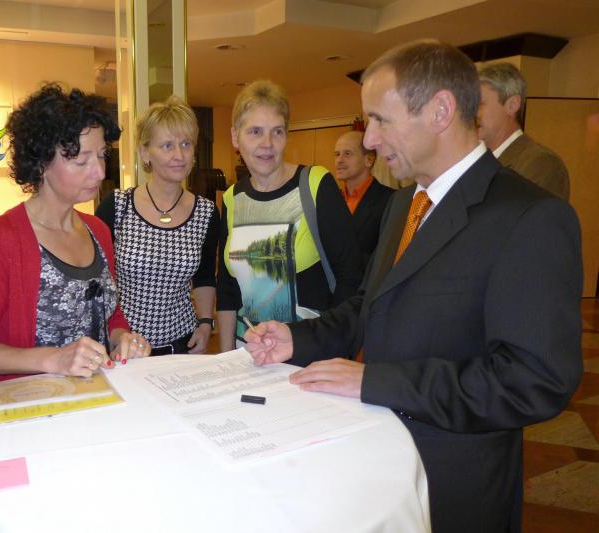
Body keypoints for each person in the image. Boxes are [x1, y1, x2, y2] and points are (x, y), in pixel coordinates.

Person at [245, 40, 582, 533]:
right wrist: (298, 338)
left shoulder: (529, 217)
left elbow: (533, 381)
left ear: (440, 111)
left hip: (454, 482)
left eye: (380, 120)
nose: (369, 140)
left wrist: (376, 382)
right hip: (379, 457)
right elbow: (371, 305)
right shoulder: (405, 204)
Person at [0, 85, 150, 382]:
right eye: (81, 161)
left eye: (101, 156)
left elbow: (110, 316)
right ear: (42, 163)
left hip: (99, 394)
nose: (99, 172)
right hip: (32, 401)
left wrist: (122, 338)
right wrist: (54, 359)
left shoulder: (97, 230)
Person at [217, 80, 362, 351]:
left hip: (307, 352)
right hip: (247, 351)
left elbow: (349, 276)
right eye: (255, 132)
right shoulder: (232, 198)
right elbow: (227, 288)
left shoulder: (315, 184)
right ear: (236, 137)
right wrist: (225, 357)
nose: (267, 144)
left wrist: (333, 346)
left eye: (277, 132)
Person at [96, 96, 219, 355]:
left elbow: (205, 276)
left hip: (182, 345)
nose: (179, 155)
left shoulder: (206, 212)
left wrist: (206, 323)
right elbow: (98, 278)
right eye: (167, 146)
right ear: (145, 152)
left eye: (186, 144)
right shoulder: (117, 206)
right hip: (125, 346)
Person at [477, 62, 570, 200]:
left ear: (512, 105)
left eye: (479, 104)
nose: (470, 113)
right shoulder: (475, 162)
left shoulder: (542, 164)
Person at [334, 130, 394, 265]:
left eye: (347, 154)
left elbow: (387, 257)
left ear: (369, 160)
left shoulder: (391, 200)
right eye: (337, 154)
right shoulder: (330, 200)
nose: (339, 160)